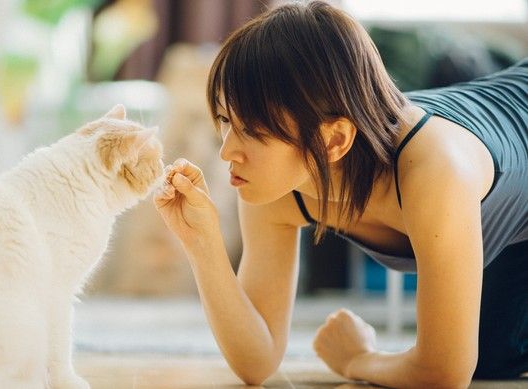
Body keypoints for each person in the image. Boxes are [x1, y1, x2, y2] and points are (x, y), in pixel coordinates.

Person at [153, 1, 527, 387]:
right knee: (495, 359)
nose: (227, 151)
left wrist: (358, 360)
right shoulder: (277, 187)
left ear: (334, 139)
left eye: (255, 131)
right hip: (514, 217)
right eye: (227, 121)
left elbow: (443, 374)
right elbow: (257, 362)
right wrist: (203, 244)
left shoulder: (436, 172)